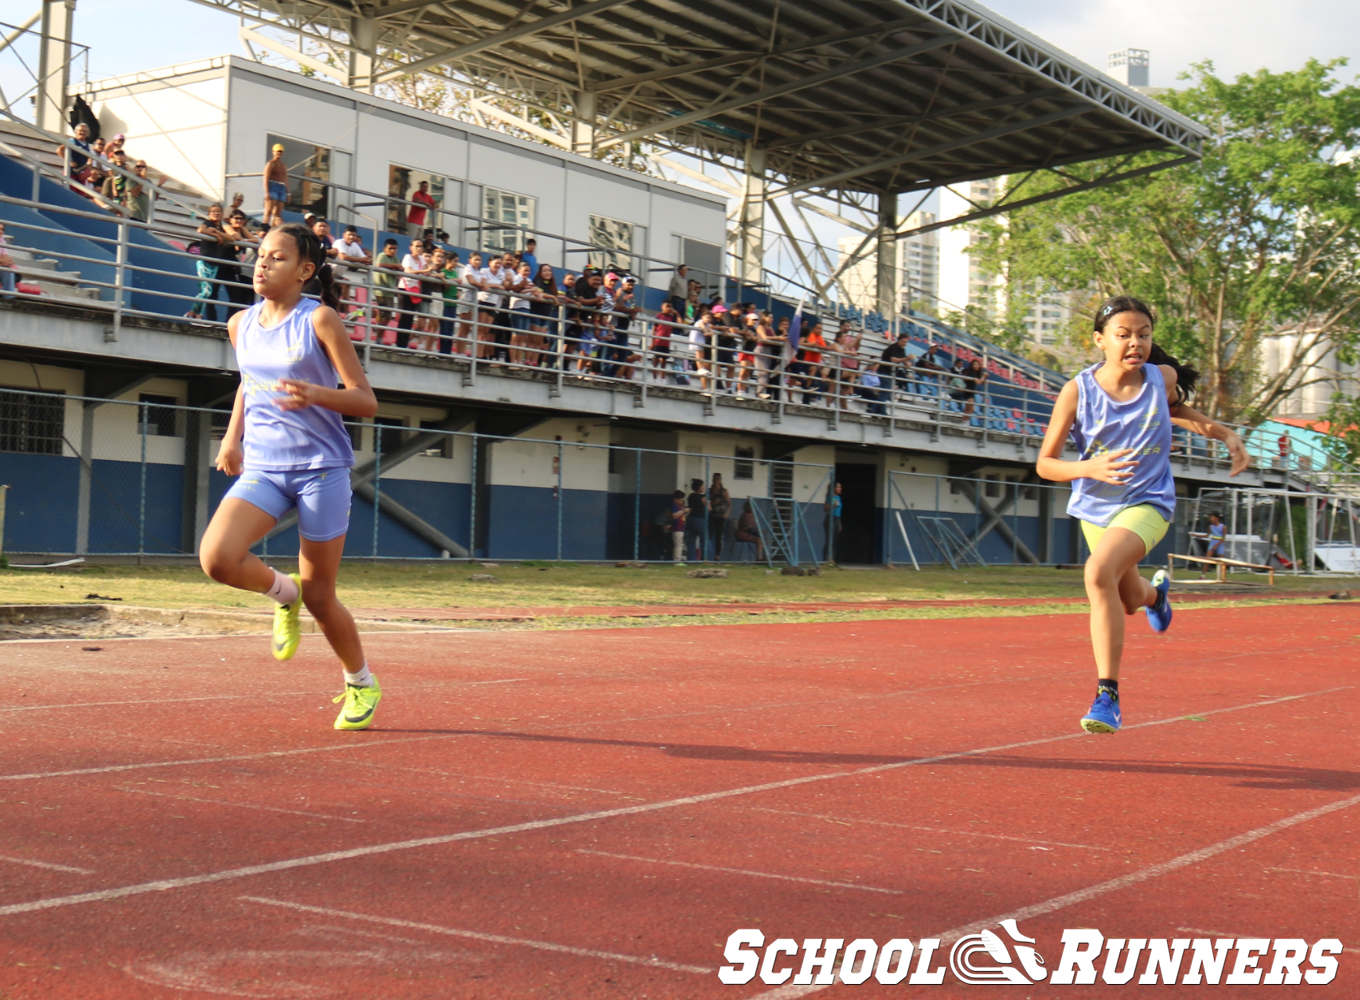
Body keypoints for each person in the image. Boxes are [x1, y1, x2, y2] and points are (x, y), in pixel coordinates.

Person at [1035, 294, 1249, 735]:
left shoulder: (1160, 377)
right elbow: (1046, 464)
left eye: (1144, 334)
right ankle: (1156, 598)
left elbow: (1176, 410)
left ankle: (1107, 697)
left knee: (1098, 573)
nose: (1135, 343)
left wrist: (1225, 435)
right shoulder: (1077, 391)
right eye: (1124, 335)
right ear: (1100, 340)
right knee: (1128, 598)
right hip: (1096, 509)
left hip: (1148, 502)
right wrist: (1088, 468)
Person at [197, 222, 381, 730]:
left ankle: (361, 682)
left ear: (304, 270)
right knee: (217, 558)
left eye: (277, 257)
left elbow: (365, 400)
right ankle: (284, 593)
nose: (263, 263)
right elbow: (248, 383)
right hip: (265, 467)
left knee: (322, 597)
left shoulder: (319, 319)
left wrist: (316, 394)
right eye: (260, 254)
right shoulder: (240, 323)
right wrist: (231, 437)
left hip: (321, 470)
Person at [263, 144, 287, 229]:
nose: (279, 153)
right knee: (269, 210)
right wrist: (267, 192)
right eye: (277, 151)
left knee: (278, 213)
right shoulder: (270, 163)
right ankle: (264, 228)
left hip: (282, 187)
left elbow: (285, 178)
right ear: (273, 152)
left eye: (280, 151)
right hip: (273, 186)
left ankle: (273, 229)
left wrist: (288, 192)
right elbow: (265, 178)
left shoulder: (283, 165)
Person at [684, 477, 708, 563]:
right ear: (699, 487)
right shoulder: (703, 497)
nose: (704, 487)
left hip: (691, 519)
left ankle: (691, 560)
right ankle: (704, 559)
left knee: (691, 541)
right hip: (700, 520)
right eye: (702, 486)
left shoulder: (691, 496)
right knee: (703, 540)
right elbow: (709, 508)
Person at [708, 472, 731, 561]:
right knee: (709, 534)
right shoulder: (710, 490)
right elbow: (708, 502)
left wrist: (727, 513)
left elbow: (729, 503)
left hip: (721, 516)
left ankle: (717, 555)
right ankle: (708, 554)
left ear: (720, 480)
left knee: (719, 535)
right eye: (714, 479)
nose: (716, 481)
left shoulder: (724, 491)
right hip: (712, 515)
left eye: (718, 479)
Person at [825, 481, 842, 561]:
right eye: (838, 487)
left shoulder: (838, 497)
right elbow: (825, 508)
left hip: (837, 519)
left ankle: (833, 560)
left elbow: (839, 511)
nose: (840, 489)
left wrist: (839, 523)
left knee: (835, 541)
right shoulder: (830, 497)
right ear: (834, 488)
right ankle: (827, 560)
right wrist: (833, 505)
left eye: (840, 487)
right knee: (829, 541)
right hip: (830, 518)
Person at [669, 489, 687, 564]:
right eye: (680, 499)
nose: (682, 501)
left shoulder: (680, 506)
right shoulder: (674, 506)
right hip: (677, 528)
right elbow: (674, 515)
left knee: (680, 545)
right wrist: (683, 511)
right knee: (678, 545)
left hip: (681, 528)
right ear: (676, 499)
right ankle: (677, 561)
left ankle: (678, 560)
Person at [0, 221, 16, 297]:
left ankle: (8, 298)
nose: (0, 231)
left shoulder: (2, 241)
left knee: (10, 271)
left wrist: (6, 261)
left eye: (2, 229)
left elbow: (7, 259)